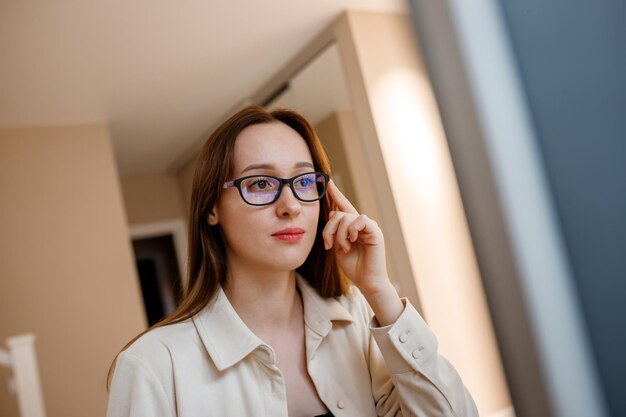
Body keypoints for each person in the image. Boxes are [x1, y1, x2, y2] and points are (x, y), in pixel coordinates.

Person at [106, 105, 479, 417]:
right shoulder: (153, 365)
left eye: (303, 182)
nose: (291, 206)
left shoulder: (356, 323)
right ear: (211, 209)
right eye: (260, 184)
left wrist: (378, 292)